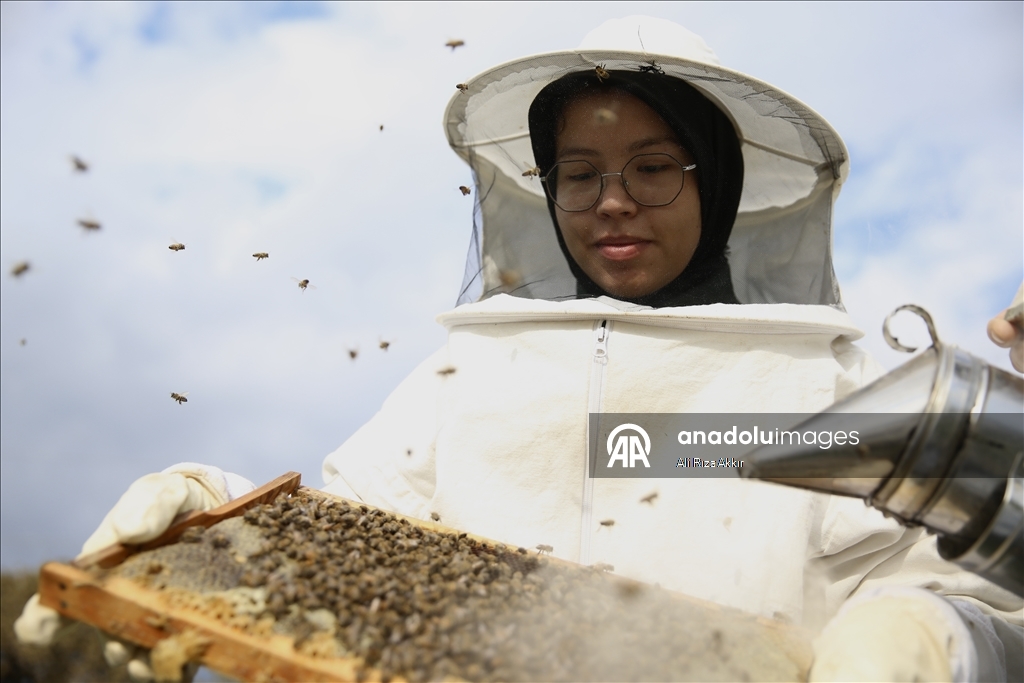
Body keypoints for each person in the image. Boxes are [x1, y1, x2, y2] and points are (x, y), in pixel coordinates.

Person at [16, 16, 1023, 682]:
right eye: (577, 172)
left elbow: (984, 595)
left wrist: (927, 637)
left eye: (652, 166)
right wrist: (211, 526)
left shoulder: (835, 388)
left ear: (714, 182)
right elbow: (350, 548)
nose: (613, 200)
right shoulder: (461, 382)